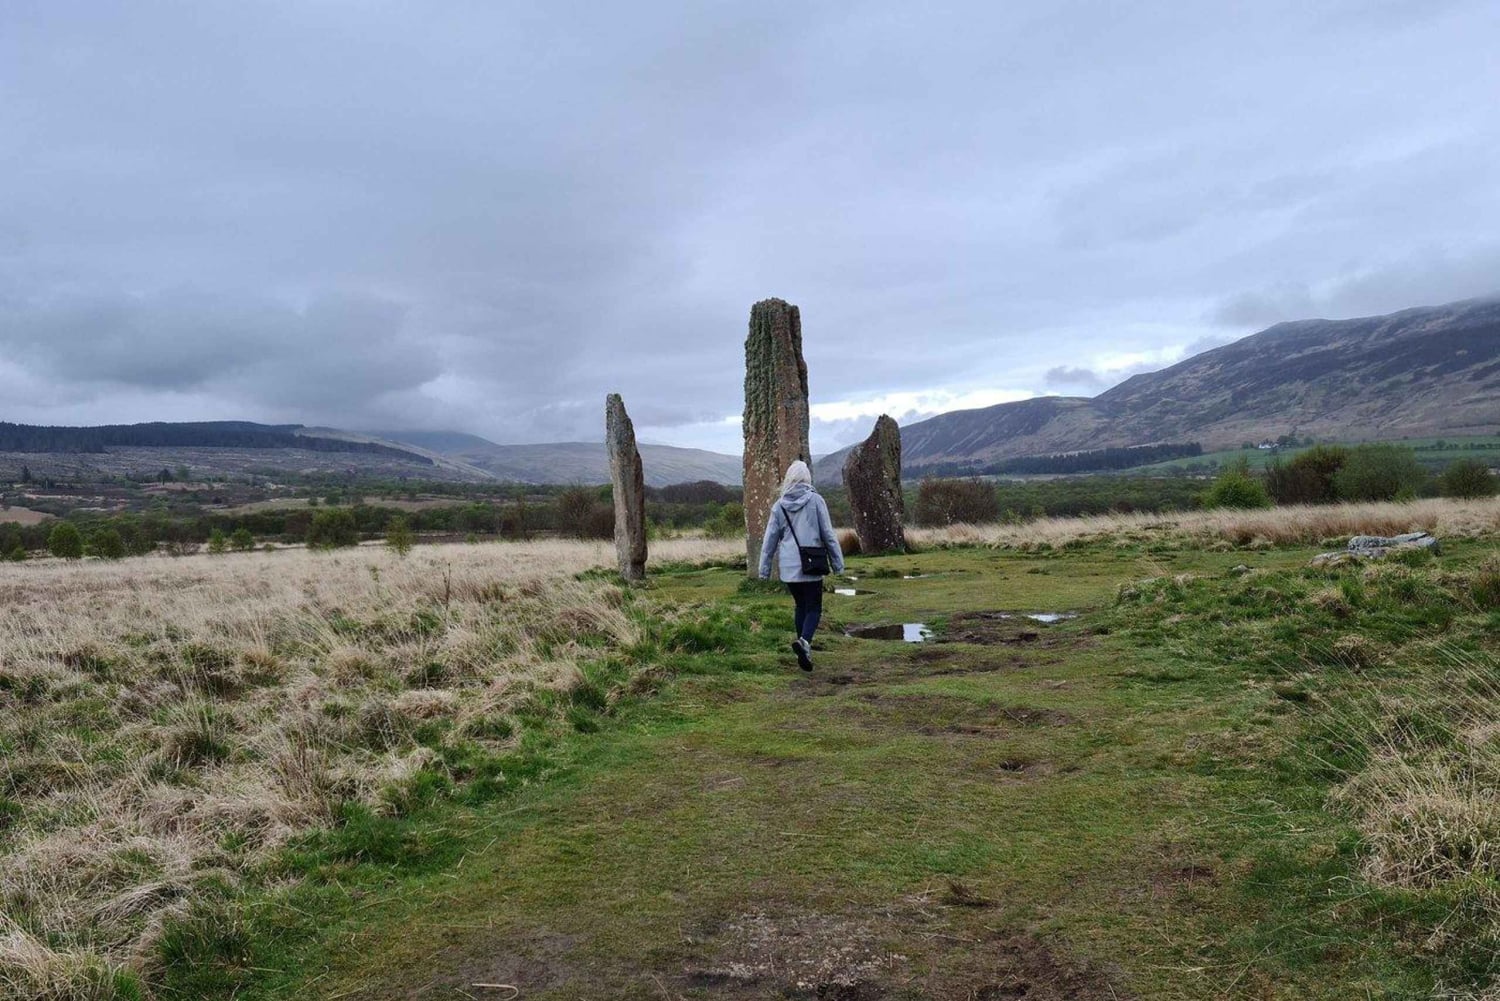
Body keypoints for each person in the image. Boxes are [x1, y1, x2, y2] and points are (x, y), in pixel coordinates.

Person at [758, 460, 845, 670]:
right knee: (814, 607)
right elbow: (828, 535)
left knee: (800, 606)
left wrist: (764, 570)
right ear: (807, 478)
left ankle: (802, 647)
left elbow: (769, 540)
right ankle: (804, 642)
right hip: (812, 562)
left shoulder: (779, 506)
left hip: (789, 567)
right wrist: (838, 564)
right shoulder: (816, 500)